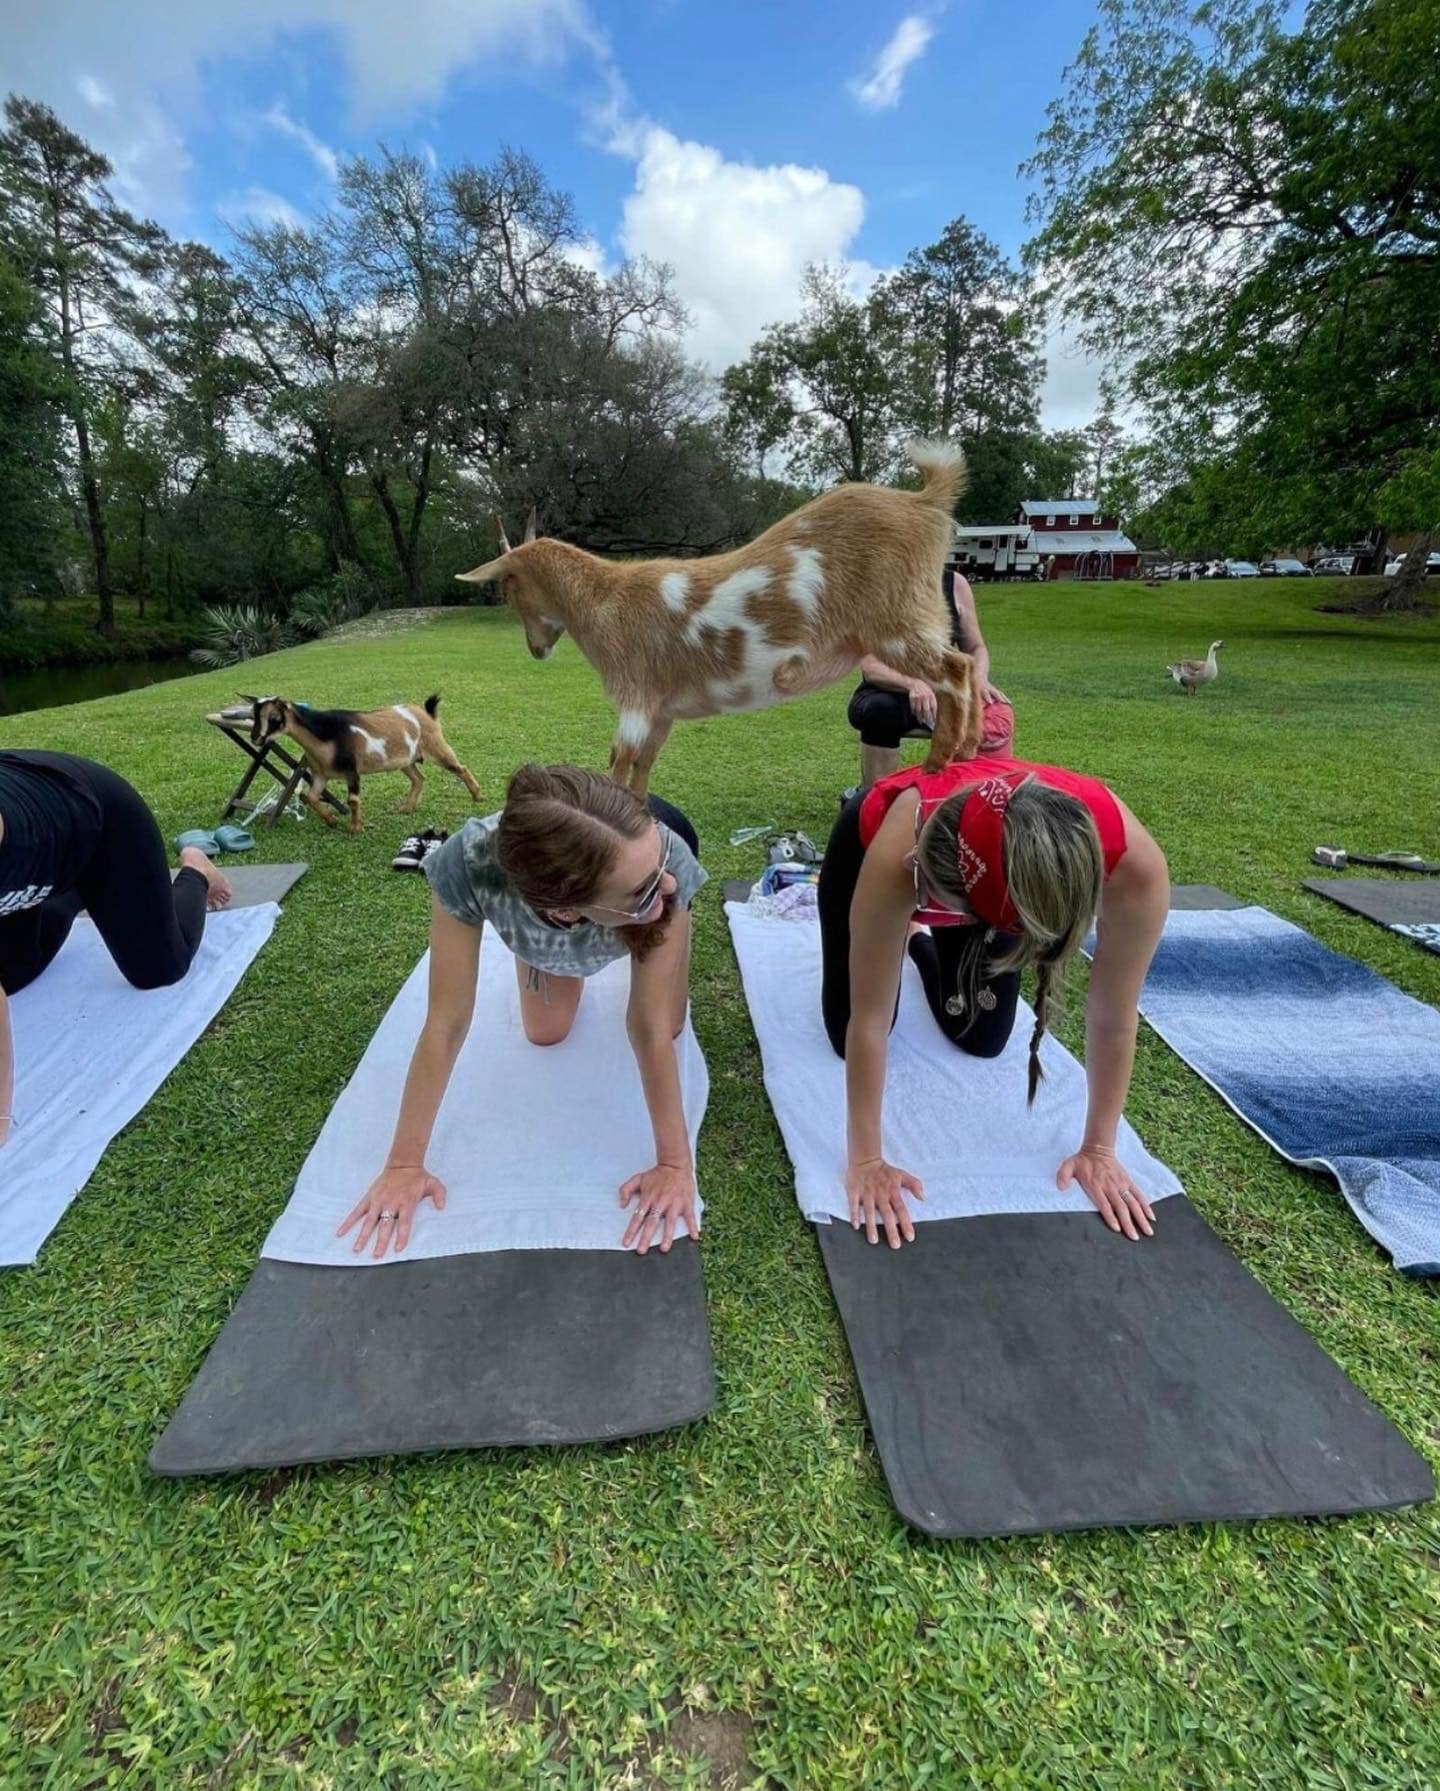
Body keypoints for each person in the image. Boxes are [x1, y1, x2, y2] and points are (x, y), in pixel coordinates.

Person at [341, 763, 708, 1260]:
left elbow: (646, 1027)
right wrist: (405, 1165)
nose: (663, 885)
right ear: (565, 910)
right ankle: (549, 949)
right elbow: (446, 1022)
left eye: (656, 875)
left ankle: (615, 930)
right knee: (546, 1032)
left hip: (624, 861)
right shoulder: (466, 863)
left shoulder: (670, 867)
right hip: (560, 897)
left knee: (672, 1022)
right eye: (641, 891)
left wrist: (673, 1166)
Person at [816, 752, 1170, 1250]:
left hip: (1005, 872)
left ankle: (917, 940)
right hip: (880, 842)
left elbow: (1114, 1015)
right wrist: (867, 1160)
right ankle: (904, 928)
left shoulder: (1138, 872)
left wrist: (1100, 1148)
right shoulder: (901, 851)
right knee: (844, 1028)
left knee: (983, 1038)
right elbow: (868, 1021)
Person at [0, 750, 232, 1150]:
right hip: (34, 861)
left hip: (102, 819)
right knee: (15, 973)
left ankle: (195, 868)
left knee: (159, 968)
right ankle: (81, 891)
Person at [847, 564, 1014, 791]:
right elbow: (870, 665)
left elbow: (976, 647)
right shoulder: (880, 586)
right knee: (880, 710)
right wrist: (913, 683)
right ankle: (873, 797)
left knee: (998, 711)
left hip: (945, 689)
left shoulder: (955, 584)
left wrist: (980, 680)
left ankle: (976, 796)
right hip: (891, 689)